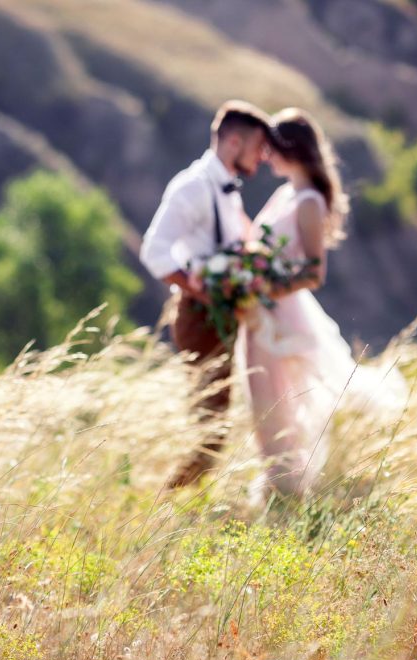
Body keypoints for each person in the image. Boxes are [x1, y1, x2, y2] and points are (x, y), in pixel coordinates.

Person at [236, 108, 405, 497]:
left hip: (284, 313)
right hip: (258, 311)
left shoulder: (309, 202)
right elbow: (255, 246)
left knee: (284, 399)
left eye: (271, 149)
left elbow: (314, 273)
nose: (264, 157)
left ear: (290, 150)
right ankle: (280, 486)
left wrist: (265, 289)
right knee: (260, 396)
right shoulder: (284, 193)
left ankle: (289, 488)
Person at [140, 99, 272, 489]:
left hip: (225, 318)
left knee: (214, 425)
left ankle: (179, 503)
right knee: (211, 431)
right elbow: (154, 249)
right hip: (200, 319)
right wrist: (199, 288)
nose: (263, 157)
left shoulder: (228, 190)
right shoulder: (193, 186)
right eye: (258, 147)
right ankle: (164, 507)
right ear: (233, 142)